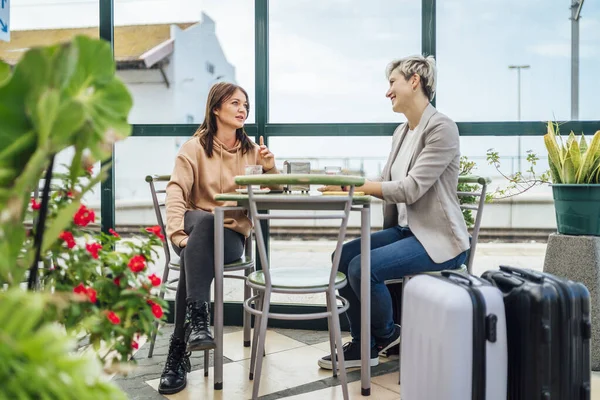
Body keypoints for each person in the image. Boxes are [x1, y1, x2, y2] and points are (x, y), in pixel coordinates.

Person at [317, 55, 470, 369]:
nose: (388, 92)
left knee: (363, 268)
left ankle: (387, 334)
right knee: (342, 259)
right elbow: (387, 182)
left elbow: (411, 188)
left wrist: (360, 186)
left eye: (392, 83)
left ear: (414, 81)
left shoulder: (442, 128)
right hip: (406, 231)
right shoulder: (402, 132)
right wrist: (346, 184)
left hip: (439, 239)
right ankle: (364, 346)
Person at [158, 82, 279, 395]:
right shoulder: (194, 148)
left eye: (245, 106)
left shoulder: (253, 152)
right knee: (204, 225)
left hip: (231, 237)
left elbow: (274, 193)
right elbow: (176, 193)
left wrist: (270, 169)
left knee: (203, 236)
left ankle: (180, 346)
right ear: (215, 108)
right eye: (235, 103)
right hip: (196, 225)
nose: (243, 110)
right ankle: (195, 327)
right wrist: (176, 234)